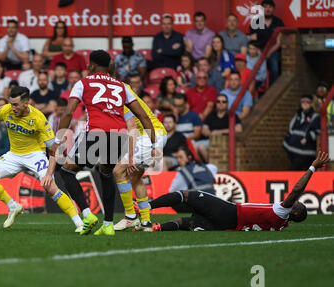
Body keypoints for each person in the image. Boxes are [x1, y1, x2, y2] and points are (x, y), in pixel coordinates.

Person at [50, 50, 156, 236]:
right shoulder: (122, 86)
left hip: (96, 134)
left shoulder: (83, 83)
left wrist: (58, 140)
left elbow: (68, 112)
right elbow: (143, 116)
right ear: (109, 66)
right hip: (119, 136)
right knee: (106, 173)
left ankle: (87, 214)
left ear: (91, 66)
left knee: (66, 171)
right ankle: (108, 224)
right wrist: (153, 145)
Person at [0, 86, 84, 232]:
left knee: (50, 187)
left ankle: (79, 223)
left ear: (26, 103)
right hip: (14, 154)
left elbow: (53, 150)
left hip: (35, 155)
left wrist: (49, 174)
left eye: (16, 104)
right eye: (11, 104)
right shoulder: (6, 110)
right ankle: (13, 206)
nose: (12, 108)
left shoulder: (38, 118)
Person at [150, 151, 330, 232]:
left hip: (230, 211)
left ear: (295, 211)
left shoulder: (283, 212)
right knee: (185, 222)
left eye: (298, 204)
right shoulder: (281, 224)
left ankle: (146, 206)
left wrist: (312, 168)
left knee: (186, 195)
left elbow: (297, 189)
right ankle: (155, 228)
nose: (296, 201)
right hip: (228, 225)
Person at [113, 83, 168, 232]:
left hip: (149, 134)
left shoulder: (116, 95)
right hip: (155, 132)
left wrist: (131, 156)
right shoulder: (121, 87)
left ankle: (130, 217)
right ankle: (145, 221)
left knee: (119, 171)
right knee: (135, 176)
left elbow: (133, 127)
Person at [197, 94, 242, 163]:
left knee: (201, 147)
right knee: (195, 147)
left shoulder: (232, 115)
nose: (221, 104)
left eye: (223, 102)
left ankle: (211, 166)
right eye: (218, 101)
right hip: (211, 140)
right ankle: (207, 166)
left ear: (227, 104)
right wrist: (210, 133)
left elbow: (239, 129)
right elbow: (204, 129)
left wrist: (220, 132)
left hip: (225, 142)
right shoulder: (211, 115)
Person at [249, 0, 284, 85]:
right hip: (258, 50)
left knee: (275, 68)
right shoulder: (256, 22)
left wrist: (268, 52)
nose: (267, 9)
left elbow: (279, 42)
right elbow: (252, 40)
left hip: (273, 51)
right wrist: (260, 52)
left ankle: (273, 89)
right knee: (252, 67)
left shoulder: (278, 22)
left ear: (273, 9)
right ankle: (257, 86)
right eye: (265, 7)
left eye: (270, 7)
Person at [283, 94, 321, 171]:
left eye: (307, 102)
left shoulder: (315, 116)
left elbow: (317, 132)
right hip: (293, 152)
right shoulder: (298, 115)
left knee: (302, 175)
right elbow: (291, 129)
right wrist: (286, 143)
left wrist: (307, 138)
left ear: (311, 104)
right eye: (303, 102)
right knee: (295, 175)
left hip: (306, 153)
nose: (305, 103)